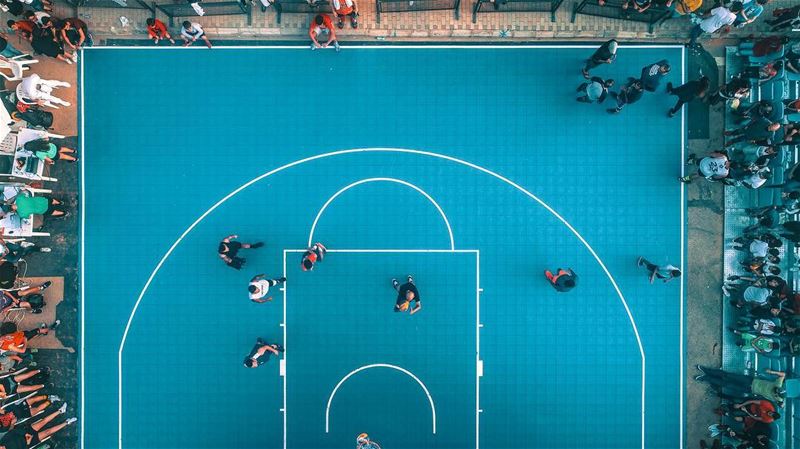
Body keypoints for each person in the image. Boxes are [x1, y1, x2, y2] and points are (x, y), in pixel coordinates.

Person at [695, 366, 787, 406]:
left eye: (777, 392)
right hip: (751, 380)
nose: (776, 389)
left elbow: (781, 404)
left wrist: (782, 403)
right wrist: (772, 372)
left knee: (726, 384)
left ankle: (705, 378)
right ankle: (707, 370)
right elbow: (783, 375)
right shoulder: (777, 384)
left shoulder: (778, 399)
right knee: (727, 375)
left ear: (777, 395)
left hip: (749, 389)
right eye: (778, 389)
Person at [0, 404, 76, 449]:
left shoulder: (3, 440)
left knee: (43, 421)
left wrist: (25, 434)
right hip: (30, 442)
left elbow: (13, 432)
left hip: (26, 432)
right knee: (47, 432)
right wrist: (28, 443)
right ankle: (67, 422)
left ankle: (61, 411)